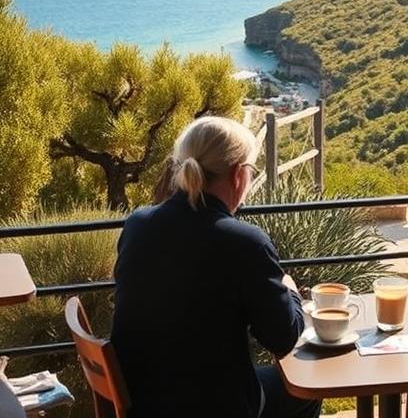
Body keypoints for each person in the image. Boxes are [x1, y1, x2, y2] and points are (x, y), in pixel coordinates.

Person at [111, 116, 319, 418]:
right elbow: (283, 339)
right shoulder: (244, 242)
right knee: (305, 390)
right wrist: (291, 293)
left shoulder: (138, 224)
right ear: (237, 175)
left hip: (141, 403)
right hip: (215, 407)